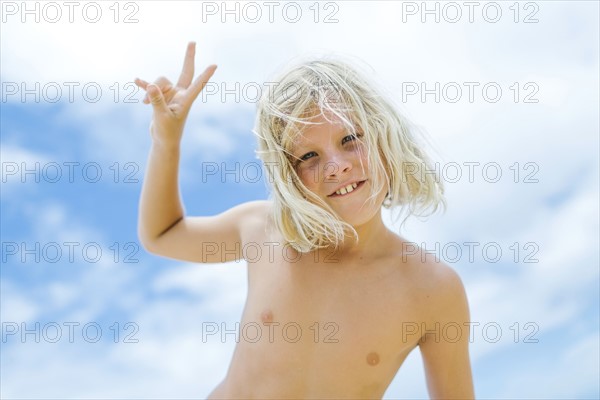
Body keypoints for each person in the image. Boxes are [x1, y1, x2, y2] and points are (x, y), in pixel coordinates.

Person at [134, 41, 475, 399]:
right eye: (308, 155)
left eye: (350, 139)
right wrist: (165, 141)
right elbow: (161, 234)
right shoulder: (264, 231)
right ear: (288, 175)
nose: (336, 166)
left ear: (384, 137)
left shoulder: (433, 289)